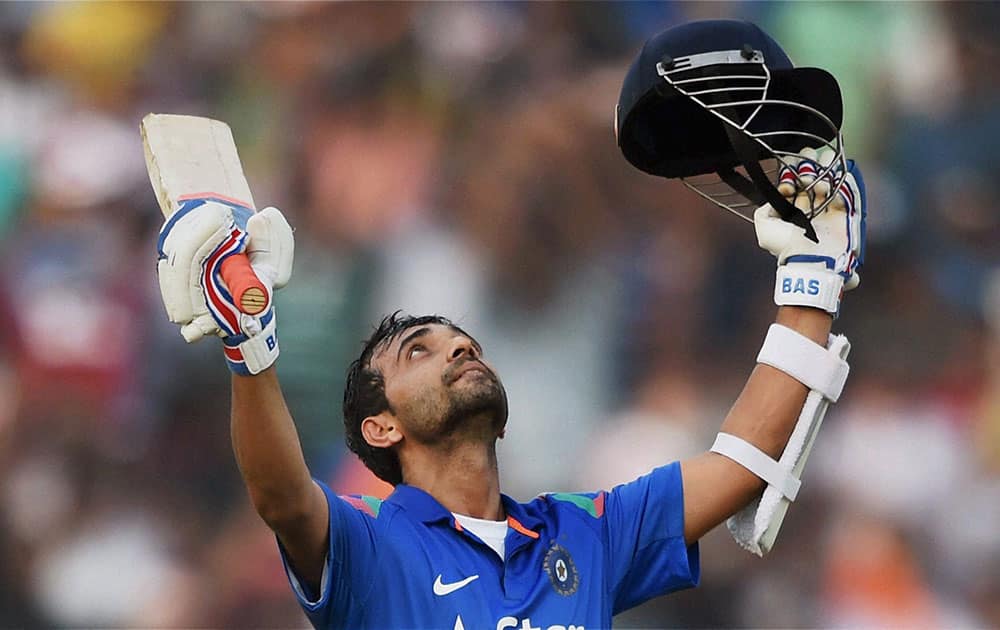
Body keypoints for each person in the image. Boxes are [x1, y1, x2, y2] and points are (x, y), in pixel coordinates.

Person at [153, 21, 865, 630]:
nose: (459, 344)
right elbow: (281, 496)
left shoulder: (583, 533)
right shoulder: (373, 549)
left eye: (458, 341)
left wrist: (813, 280)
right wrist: (247, 347)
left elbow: (743, 465)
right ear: (381, 428)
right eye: (418, 350)